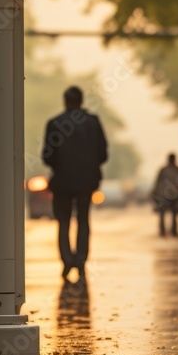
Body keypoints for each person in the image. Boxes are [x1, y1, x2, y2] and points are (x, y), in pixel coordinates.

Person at [41, 86, 108, 283]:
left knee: (63, 221)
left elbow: (47, 156)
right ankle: (81, 261)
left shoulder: (54, 123)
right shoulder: (93, 123)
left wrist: (61, 166)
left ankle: (67, 260)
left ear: (65, 101)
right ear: (81, 101)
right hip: (87, 181)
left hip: (62, 181)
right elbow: (103, 154)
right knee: (83, 220)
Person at [152, 153, 178, 237]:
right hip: (175, 195)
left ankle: (162, 231)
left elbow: (157, 182)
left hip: (163, 195)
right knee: (175, 213)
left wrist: (154, 192)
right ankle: (174, 231)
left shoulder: (163, 170)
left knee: (162, 213)